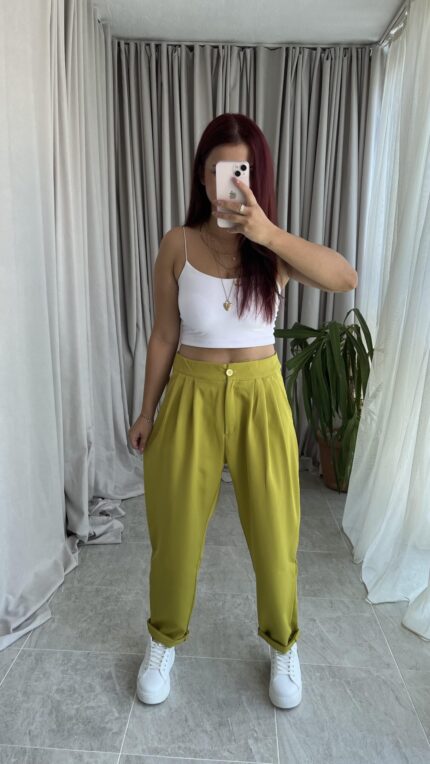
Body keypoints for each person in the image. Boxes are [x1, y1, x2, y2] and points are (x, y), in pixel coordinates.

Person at [128, 113, 358, 709]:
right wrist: (146, 412)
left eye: (241, 171)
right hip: (190, 395)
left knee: (276, 533)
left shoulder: (271, 250)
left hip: (261, 396)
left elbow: (345, 277)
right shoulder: (177, 244)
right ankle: (163, 640)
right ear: (202, 177)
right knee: (175, 533)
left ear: (257, 177)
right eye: (218, 170)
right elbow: (163, 335)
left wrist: (269, 233)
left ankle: (283, 645)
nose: (227, 183)